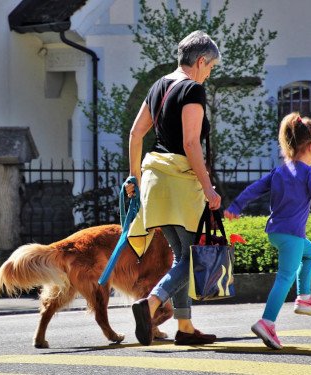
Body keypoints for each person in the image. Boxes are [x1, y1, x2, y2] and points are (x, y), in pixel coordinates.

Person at [224, 112, 311, 350]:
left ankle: (304, 297)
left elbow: (254, 188)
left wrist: (236, 206)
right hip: (292, 236)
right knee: (285, 277)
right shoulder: (309, 173)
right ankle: (267, 322)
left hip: (276, 233)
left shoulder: (279, 171)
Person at [125, 30, 221, 346]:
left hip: (155, 180)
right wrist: (208, 188)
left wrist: (134, 179)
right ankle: (150, 304)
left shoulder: (158, 86)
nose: (209, 74)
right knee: (194, 257)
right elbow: (190, 142)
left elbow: (136, 135)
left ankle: (185, 328)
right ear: (202, 60)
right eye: (210, 68)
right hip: (181, 181)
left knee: (182, 255)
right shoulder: (192, 89)